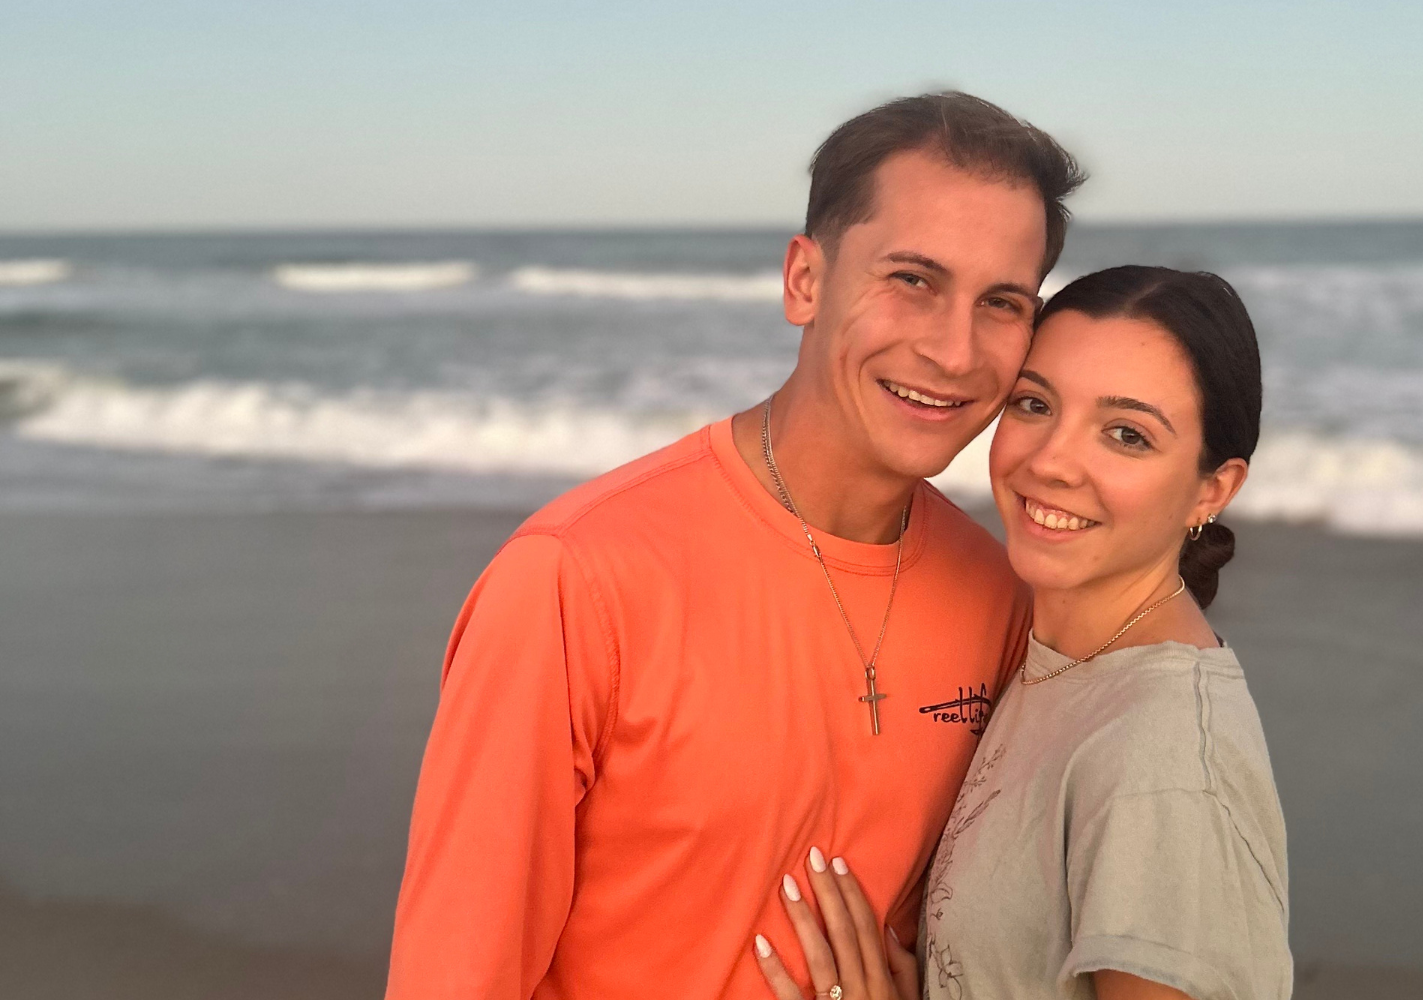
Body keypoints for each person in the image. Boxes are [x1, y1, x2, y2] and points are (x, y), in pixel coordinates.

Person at [384, 92, 1085, 1000]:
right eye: (911, 279)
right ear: (804, 280)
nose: (955, 351)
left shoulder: (1000, 598)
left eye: (1001, 302)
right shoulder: (576, 578)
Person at [751, 267, 1291, 1000]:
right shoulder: (1057, 660)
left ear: (1211, 489)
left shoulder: (1164, 767)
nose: (1050, 461)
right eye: (1035, 404)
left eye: (1126, 435)